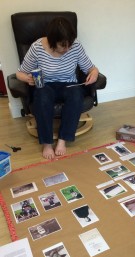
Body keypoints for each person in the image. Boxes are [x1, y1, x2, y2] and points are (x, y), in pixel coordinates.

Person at [16, 17, 99, 159]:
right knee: (42, 97)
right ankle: (47, 143)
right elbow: (19, 73)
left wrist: (94, 74)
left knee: (76, 95)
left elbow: (91, 68)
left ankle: (62, 140)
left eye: (70, 45)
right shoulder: (37, 47)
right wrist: (27, 78)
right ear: (52, 41)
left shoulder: (76, 46)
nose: (67, 49)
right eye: (63, 45)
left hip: (68, 84)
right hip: (45, 85)